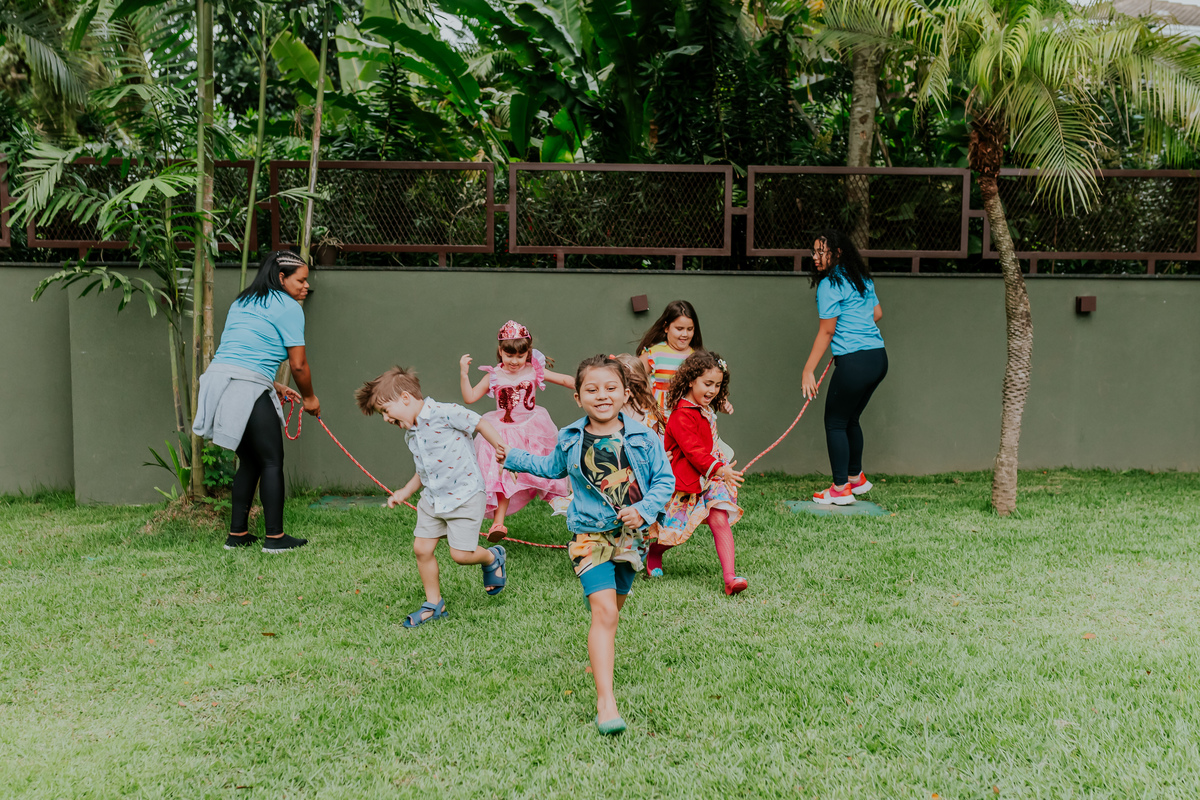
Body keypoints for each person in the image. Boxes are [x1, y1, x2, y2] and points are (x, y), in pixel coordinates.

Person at [503, 355, 675, 735]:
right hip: (589, 536)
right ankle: (606, 703)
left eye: (611, 388)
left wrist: (644, 509)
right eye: (592, 389)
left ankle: (600, 639)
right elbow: (551, 468)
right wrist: (512, 457)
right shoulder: (570, 438)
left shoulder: (644, 437)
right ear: (578, 397)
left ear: (626, 394)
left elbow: (665, 480)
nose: (602, 396)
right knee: (606, 614)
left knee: (613, 610)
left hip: (631, 540)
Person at [355, 366, 511, 628]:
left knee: (461, 555)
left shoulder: (445, 412)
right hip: (433, 500)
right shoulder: (412, 434)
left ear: (405, 398)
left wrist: (501, 448)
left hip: (464, 496)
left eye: (386, 410)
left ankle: (492, 557)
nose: (386, 418)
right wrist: (406, 491)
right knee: (421, 549)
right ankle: (434, 604)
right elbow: (424, 469)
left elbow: (480, 423)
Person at [192, 251, 319, 553]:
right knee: (272, 460)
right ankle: (275, 538)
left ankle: (237, 534)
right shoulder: (289, 307)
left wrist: (273, 384)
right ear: (281, 278)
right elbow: (299, 365)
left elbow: (239, 352)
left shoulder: (243, 301)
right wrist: (310, 399)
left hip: (219, 381)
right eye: (301, 280)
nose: (306, 286)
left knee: (250, 460)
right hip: (245, 386)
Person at [645, 350, 748, 595]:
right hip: (686, 479)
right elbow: (693, 451)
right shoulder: (681, 415)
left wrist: (718, 469)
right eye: (708, 384)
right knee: (675, 531)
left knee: (719, 518)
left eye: (718, 385)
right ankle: (654, 553)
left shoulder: (704, 407)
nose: (713, 390)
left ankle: (730, 578)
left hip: (711, 477)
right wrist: (719, 469)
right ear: (691, 380)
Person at [460, 320, 572, 541]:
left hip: (532, 429)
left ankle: (562, 502)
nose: (514, 361)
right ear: (500, 351)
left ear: (528, 353)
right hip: (502, 433)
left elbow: (564, 380)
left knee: (546, 465)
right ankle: (498, 524)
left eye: (520, 356)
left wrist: (590, 385)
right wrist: (464, 374)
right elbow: (470, 397)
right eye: (509, 355)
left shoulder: (533, 371)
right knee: (502, 475)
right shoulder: (493, 375)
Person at [801, 229, 888, 506]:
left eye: (821, 252)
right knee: (850, 419)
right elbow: (876, 314)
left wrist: (808, 370)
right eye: (814, 252)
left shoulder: (829, 284)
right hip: (878, 358)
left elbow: (827, 331)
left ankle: (840, 489)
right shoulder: (861, 278)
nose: (815, 257)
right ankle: (855, 478)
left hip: (855, 361)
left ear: (837, 253)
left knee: (835, 423)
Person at [636, 300, 702, 422]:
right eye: (679, 328)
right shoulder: (654, 354)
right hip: (657, 419)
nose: (685, 334)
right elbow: (633, 376)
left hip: (686, 419)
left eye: (690, 329)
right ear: (666, 327)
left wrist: (722, 401)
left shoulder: (697, 357)